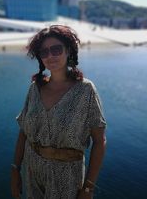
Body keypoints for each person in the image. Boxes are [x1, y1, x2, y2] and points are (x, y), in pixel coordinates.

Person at [11, 25, 107, 199]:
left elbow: (99, 142)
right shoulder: (35, 89)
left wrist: (88, 188)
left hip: (67, 177)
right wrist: (15, 170)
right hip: (32, 172)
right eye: (44, 52)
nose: (50, 56)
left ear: (68, 50)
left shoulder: (85, 90)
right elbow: (23, 132)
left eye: (56, 49)